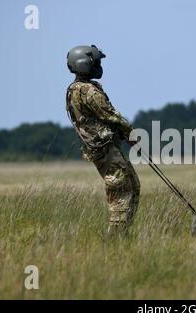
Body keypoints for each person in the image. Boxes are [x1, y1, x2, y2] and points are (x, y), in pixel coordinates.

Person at [66, 45, 140, 235]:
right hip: (104, 148)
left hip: (102, 147)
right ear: (84, 64)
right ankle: (116, 236)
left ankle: (123, 232)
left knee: (132, 184)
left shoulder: (74, 89)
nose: (98, 67)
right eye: (95, 63)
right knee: (121, 188)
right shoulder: (88, 91)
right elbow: (110, 116)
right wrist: (130, 134)